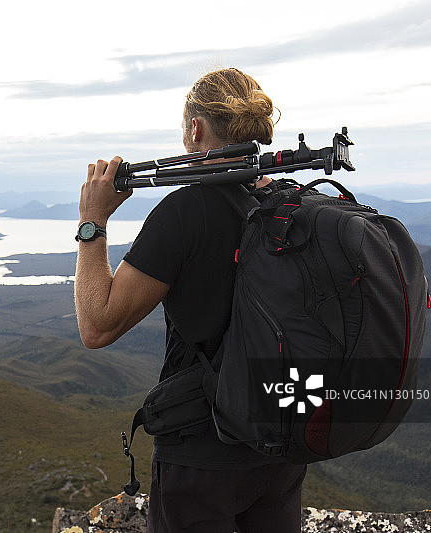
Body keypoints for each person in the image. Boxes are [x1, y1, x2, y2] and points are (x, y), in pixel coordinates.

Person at [74, 67, 307, 533]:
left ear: (195, 129)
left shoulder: (186, 211)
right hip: (281, 443)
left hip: (202, 455)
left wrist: (92, 221)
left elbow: (96, 325)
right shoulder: (287, 201)